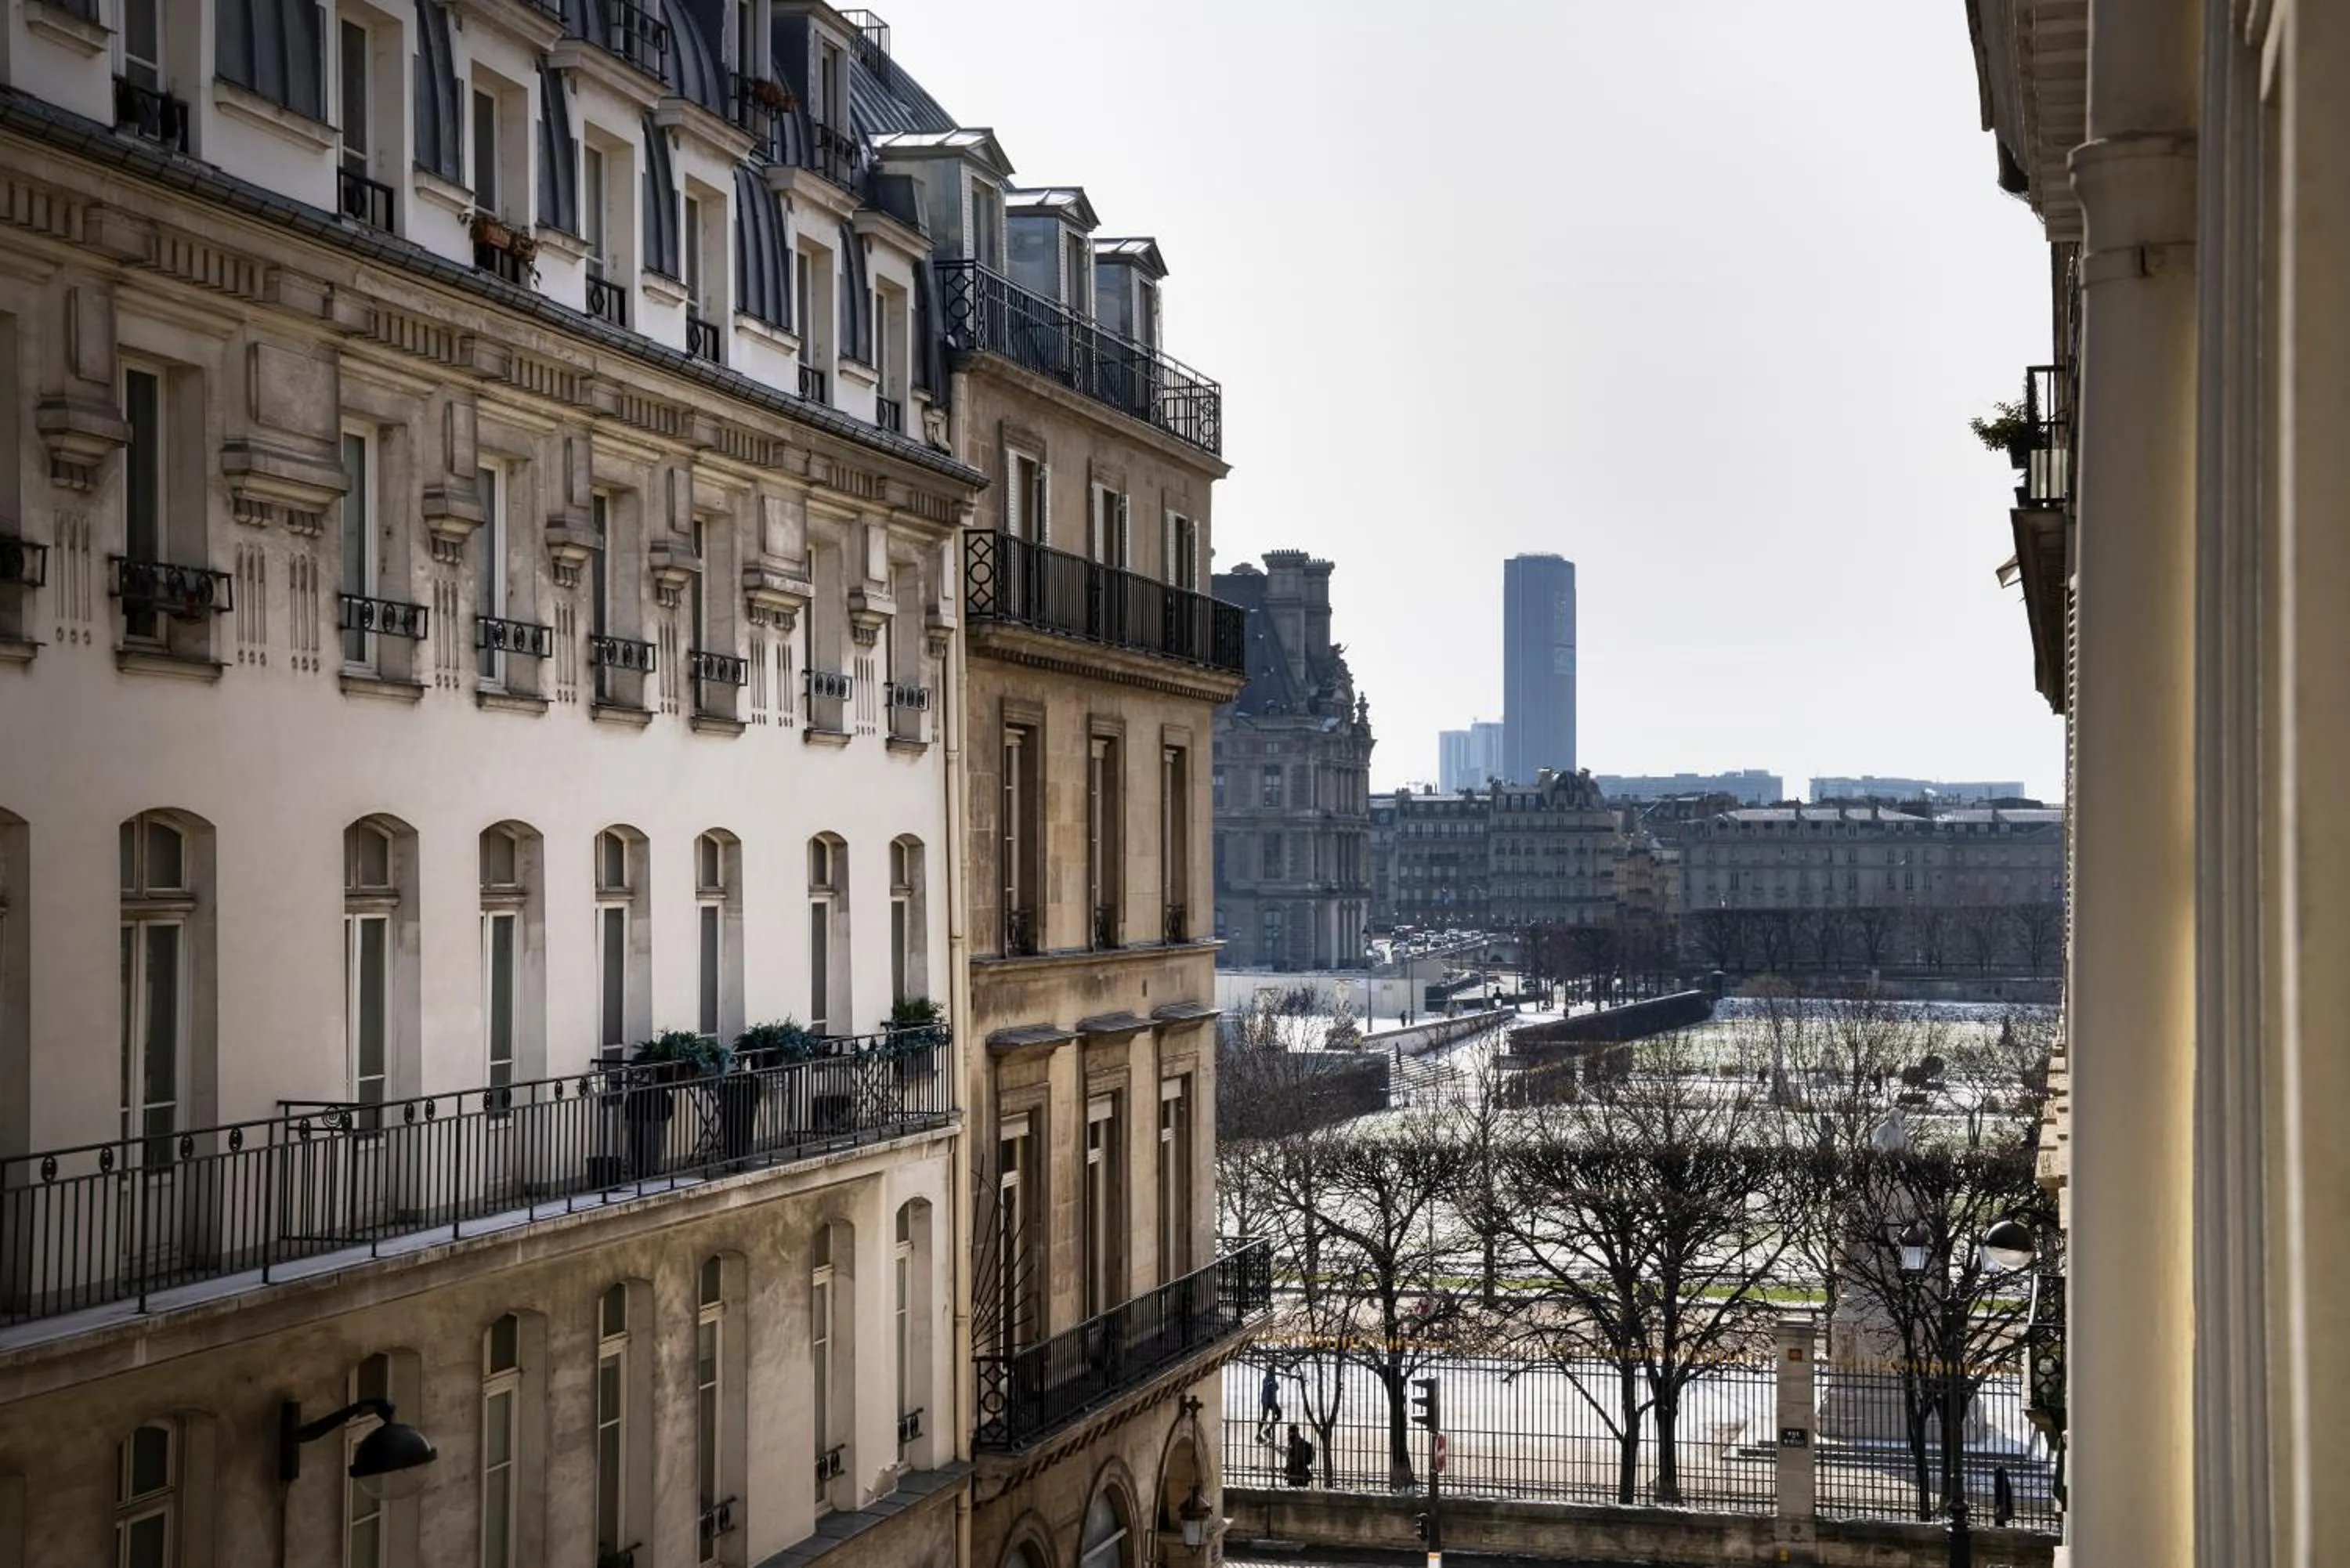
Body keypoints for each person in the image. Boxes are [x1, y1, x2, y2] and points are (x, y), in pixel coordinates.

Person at [1256, 1364, 1283, 1443]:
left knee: (1276, 1415)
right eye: (1273, 1370)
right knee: (1265, 1417)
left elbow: (1276, 1387)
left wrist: (1275, 1385)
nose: (1275, 1372)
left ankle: (1267, 1431)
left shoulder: (1271, 1379)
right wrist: (1274, 1385)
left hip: (1270, 1401)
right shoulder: (1267, 1379)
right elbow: (1273, 1387)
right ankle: (1262, 1433)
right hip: (1268, 1401)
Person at [1285, 1422, 1315, 1488]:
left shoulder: (1296, 1444)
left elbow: (1297, 1458)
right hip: (1302, 1474)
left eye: (1289, 1432)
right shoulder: (1301, 1443)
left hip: (1296, 1474)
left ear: (1292, 1433)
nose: (1288, 1435)